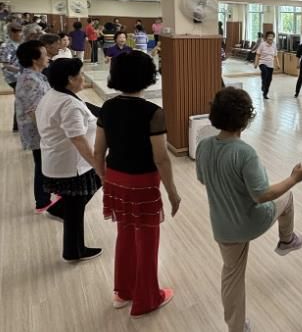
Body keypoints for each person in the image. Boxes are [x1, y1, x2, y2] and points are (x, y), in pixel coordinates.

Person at [196, 87, 302, 332]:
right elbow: (262, 195)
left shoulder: (203, 146)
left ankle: (236, 327)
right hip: (252, 221)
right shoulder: (245, 153)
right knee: (287, 196)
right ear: (245, 119)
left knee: (232, 275)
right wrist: (293, 178)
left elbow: (203, 178)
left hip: (223, 227)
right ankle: (286, 240)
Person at [94, 51, 181, 316]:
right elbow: (161, 158)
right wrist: (173, 193)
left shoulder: (108, 107)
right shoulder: (153, 113)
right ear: (147, 76)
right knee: (147, 239)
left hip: (115, 178)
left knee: (125, 233)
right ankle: (147, 298)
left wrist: (104, 178)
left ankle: (123, 291)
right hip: (143, 182)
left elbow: (98, 151)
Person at [36, 59, 103, 262]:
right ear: (70, 79)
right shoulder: (69, 105)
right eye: (80, 74)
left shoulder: (55, 95)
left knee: (81, 197)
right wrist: (98, 165)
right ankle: (74, 251)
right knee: (76, 208)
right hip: (71, 166)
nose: (83, 78)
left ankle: (58, 208)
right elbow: (78, 140)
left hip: (59, 160)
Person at [15, 40, 63, 216]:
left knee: (46, 162)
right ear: (35, 59)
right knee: (43, 164)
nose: (48, 57)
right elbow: (33, 111)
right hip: (38, 131)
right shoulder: (29, 79)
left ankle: (52, 191)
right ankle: (43, 201)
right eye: (44, 54)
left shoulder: (36, 75)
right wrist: (47, 133)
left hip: (43, 129)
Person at [0, 22, 23, 131]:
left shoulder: (18, 44)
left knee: (21, 99)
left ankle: (17, 125)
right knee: (20, 99)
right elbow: (5, 64)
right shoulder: (7, 46)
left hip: (20, 75)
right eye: (18, 33)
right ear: (11, 33)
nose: (20, 35)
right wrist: (20, 70)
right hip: (13, 77)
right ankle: (17, 125)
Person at [254, 31, 279, 99]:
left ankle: (265, 94)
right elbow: (257, 54)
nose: (270, 38)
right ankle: (263, 85)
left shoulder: (274, 45)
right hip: (262, 62)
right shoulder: (262, 44)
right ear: (266, 37)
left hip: (270, 64)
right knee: (265, 72)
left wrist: (278, 64)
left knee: (269, 80)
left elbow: (275, 56)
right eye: (269, 36)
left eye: (272, 36)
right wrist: (256, 63)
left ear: (273, 38)